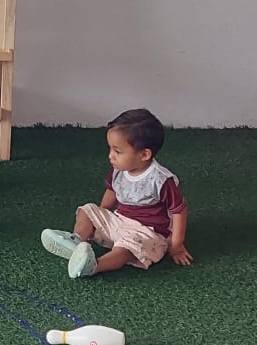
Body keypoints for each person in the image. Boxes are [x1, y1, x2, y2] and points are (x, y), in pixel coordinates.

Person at [41, 108, 192, 279]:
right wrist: (100, 218)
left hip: (147, 233)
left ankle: (94, 266)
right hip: (119, 221)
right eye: (110, 149)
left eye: (117, 151)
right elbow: (112, 191)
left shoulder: (160, 180)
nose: (110, 156)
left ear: (144, 154)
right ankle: (76, 241)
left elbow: (179, 211)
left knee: (125, 249)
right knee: (87, 210)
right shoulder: (119, 169)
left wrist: (176, 245)